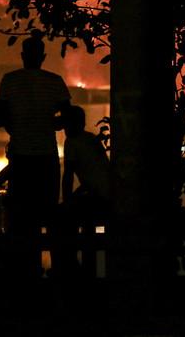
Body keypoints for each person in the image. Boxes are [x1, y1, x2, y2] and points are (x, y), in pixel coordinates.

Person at [0, 33, 71, 278]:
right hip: (46, 157)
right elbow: (69, 118)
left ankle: (24, 272)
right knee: (48, 212)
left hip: (20, 158)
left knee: (20, 218)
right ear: (42, 57)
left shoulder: (9, 81)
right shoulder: (55, 82)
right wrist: (50, 123)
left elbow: (1, 115)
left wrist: (16, 125)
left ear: (22, 56)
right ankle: (57, 271)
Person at [53, 105, 110, 276]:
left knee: (62, 220)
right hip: (106, 196)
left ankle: (67, 268)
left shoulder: (72, 142)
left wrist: (67, 201)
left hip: (97, 198)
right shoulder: (91, 139)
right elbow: (94, 176)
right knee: (86, 231)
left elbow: (68, 175)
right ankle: (84, 270)